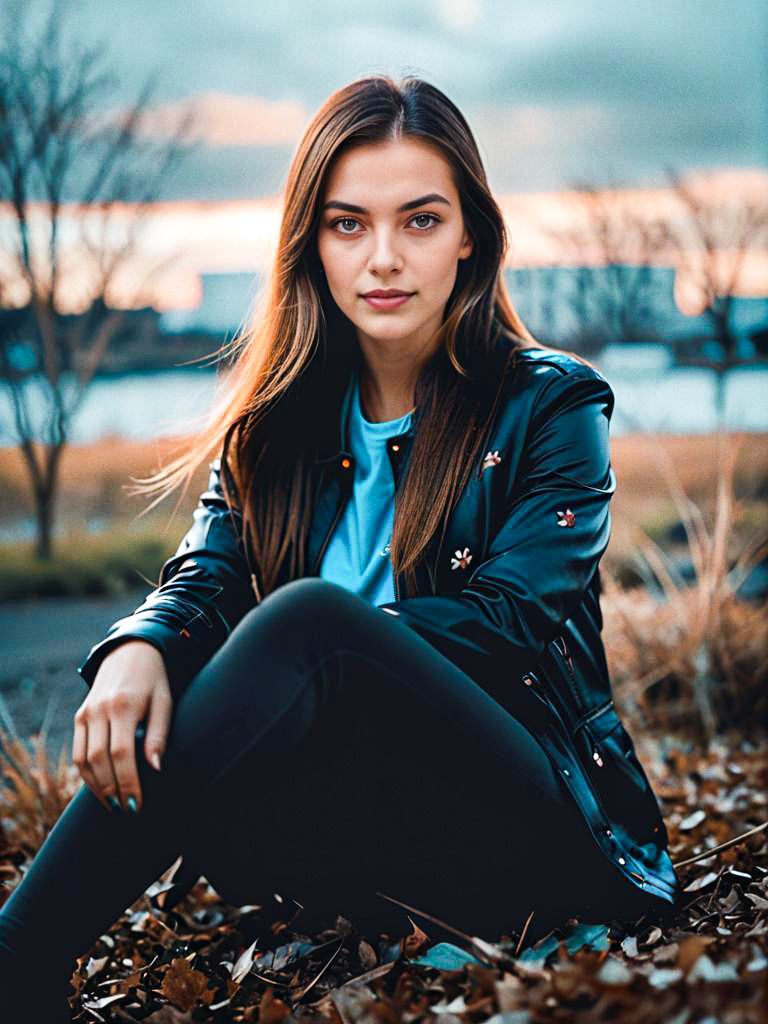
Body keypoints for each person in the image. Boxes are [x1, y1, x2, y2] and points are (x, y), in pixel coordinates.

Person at [0, 74, 681, 1019]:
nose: (384, 258)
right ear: (311, 243)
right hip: (333, 838)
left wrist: (322, 655)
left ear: (472, 234)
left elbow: (509, 623)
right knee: (214, 649)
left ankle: (17, 954)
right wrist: (141, 644)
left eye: (421, 220)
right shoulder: (273, 428)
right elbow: (206, 578)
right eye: (348, 224)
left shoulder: (550, 405)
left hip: (525, 830)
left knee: (311, 622)